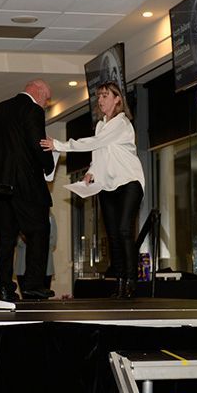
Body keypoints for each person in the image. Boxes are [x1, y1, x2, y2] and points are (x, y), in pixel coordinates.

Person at [42, 81, 145, 298]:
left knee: (125, 231)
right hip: (107, 185)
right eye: (99, 96)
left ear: (117, 99)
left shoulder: (122, 123)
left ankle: (131, 281)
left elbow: (94, 142)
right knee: (113, 235)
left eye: (105, 96)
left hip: (129, 182)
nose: (100, 100)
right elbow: (98, 154)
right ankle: (120, 282)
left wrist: (60, 145)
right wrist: (91, 171)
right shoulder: (100, 125)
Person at [0, 79, 56, 301]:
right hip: (25, 184)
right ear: (38, 91)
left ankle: (4, 286)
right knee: (39, 231)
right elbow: (37, 144)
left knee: (4, 237)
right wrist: (49, 165)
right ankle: (33, 284)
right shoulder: (33, 109)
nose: (46, 104)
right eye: (47, 99)